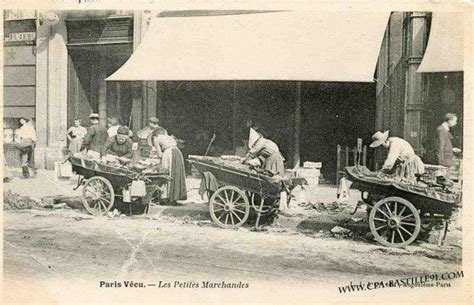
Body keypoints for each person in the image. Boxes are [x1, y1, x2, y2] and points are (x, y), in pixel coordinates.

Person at [151, 128, 187, 204]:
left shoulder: (155, 139)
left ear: (155, 135)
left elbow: (160, 155)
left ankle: (166, 197)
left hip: (169, 154)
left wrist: (154, 162)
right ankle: (175, 197)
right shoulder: (169, 137)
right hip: (177, 152)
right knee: (176, 174)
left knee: (166, 173)